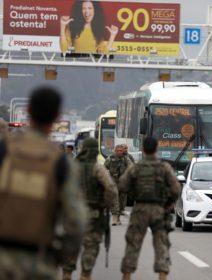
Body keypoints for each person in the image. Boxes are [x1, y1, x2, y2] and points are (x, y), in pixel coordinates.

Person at [0, 86, 87, 279]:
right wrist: (59, 256)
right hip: (39, 262)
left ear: (28, 110)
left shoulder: (4, 152)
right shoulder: (61, 163)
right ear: (57, 117)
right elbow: (77, 222)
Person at [119, 136, 181, 280]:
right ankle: (162, 276)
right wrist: (167, 204)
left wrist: (134, 194)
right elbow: (176, 188)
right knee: (161, 246)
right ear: (156, 149)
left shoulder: (136, 167)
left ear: (143, 149)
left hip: (140, 208)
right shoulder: (163, 167)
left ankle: (127, 275)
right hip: (159, 210)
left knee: (133, 244)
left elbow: (122, 185)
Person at [62, 137, 117, 280]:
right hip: (92, 214)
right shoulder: (97, 168)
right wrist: (105, 204)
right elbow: (111, 189)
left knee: (70, 248)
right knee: (90, 249)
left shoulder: (70, 166)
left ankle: (67, 274)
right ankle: (85, 275)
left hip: (71, 214)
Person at [104, 144, 132, 225]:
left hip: (122, 183)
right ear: (115, 151)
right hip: (113, 182)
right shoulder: (110, 158)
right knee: (114, 199)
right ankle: (114, 217)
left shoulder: (126, 159)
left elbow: (131, 168)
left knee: (122, 200)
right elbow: (104, 168)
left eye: (121, 150)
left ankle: (118, 216)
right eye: (118, 151)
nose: (119, 152)